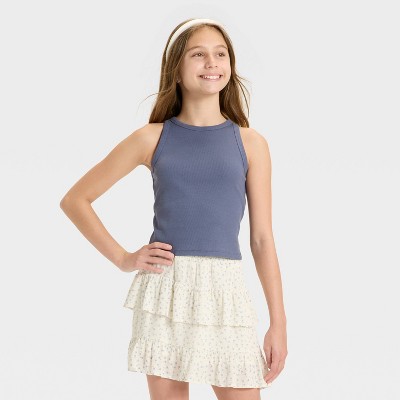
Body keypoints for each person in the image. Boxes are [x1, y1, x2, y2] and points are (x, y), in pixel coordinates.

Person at [60, 17, 287, 400]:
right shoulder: (151, 138)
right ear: (177, 70)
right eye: (198, 55)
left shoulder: (250, 143)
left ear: (230, 66)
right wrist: (123, 258)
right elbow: (75, 200)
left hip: (225, 294)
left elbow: (262, 239)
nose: (211, 63)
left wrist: (278, 323)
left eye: (220, 54)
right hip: (166, 289)